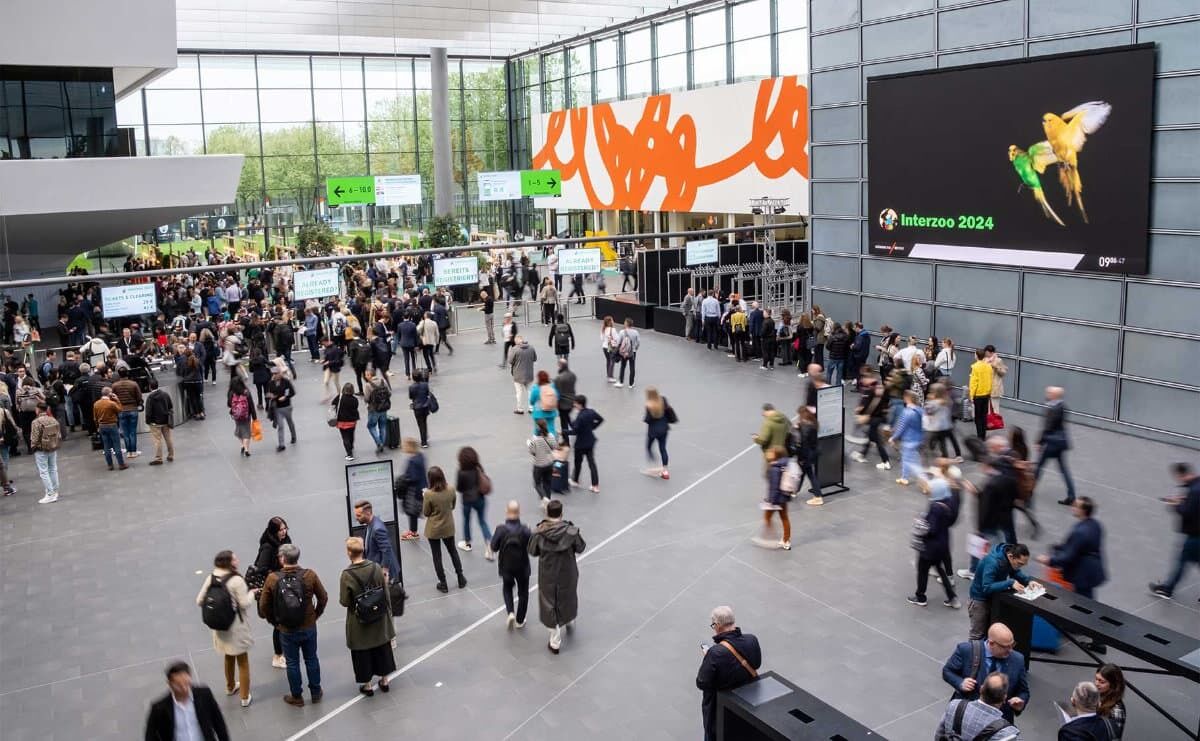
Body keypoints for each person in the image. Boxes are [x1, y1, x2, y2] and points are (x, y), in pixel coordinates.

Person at [258, 543, 327, 707]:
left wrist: (274, 621)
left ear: (282, 559)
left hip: (286, 629)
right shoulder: (309, 575)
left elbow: (263, 606)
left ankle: (297, 696)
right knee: (311, 658)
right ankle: (316, 692)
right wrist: (315, 615)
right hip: (308, 625)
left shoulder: (273, 578)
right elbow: (323, 597)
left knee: (292, 662)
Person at [195, 550, 255, 708]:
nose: (237, 560)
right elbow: (244, 604)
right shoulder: (236, 581)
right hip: (236, 627)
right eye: (235, 559)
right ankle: (244, 696)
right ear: (229, 563)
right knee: (243, 661)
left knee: (228, 656)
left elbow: (199, 600)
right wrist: (252, 594)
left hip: (220, 627)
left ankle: (230, 687)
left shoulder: (211, 578)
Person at [338, 536, 396, 697]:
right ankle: (384, 680)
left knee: (362, 653)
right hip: (378, 617)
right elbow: (385, 591)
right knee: (382, 648)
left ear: (349, 553)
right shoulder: (376, 567)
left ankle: (368, 685)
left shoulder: (347, 575)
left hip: (359, 620)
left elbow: (344, 601)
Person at [529, 499, 586, 654]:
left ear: (547, 513)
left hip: (548, 573)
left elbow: (532, 551)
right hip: (567, 572)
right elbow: (581, 547)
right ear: (562, 513)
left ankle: (555, 641)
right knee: (567, 596)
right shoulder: (571, 531)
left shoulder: (539, 533)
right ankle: (568, 619)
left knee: (549, 602)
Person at [696, 605, 761, 741]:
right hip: (748, 702)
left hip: (720, 708)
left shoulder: (715, 653)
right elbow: (756, 664)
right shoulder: (752, 639)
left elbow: (702, 682)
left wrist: (709, 658)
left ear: (718, 625)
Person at [943, 622, 1030, 724]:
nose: (1010, 650)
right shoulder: (966, 650)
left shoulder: (1017, 659)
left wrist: (1020, 702)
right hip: (968, 716)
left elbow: (1024, 691)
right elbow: (947, 671)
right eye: (1005, 646)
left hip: (997, 722)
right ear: (991, 643)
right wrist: (960, 683)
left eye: (1012, 645)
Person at [909, 464, 961, 608]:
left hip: (930, 547)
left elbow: (931, 529)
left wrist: (920, 521)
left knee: (922, 571)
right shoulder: (948, 502)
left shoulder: (935, 507)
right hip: (943, 544)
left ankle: (920, 596)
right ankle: (952, 597)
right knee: (940, 570)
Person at [1149, 462, 1200, 600]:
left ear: (1180, 475)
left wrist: (1176, 504)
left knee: (1182, 562)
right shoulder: (1197, 486)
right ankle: (1167, 588)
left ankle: (1167, 589)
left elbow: (1187, 512)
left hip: (1195, 535)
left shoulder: (1195, 491)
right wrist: (1186, 499)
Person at [1037, 496, 1105, 600]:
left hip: (1082, 573)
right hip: (1092, 570)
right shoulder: (1095, 525)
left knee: (1083, 601)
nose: (1072, 507)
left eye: (1076, 506)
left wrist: (1049, 560)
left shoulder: (1080, 532)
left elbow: (1068, 556)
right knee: (1088, 598)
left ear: (1083, 510)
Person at [143, 661, 230, 741]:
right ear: (169, 683)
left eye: (186, 683)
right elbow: (150, 735)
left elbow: (218, 722)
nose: (184, 689)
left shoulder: (204, 695)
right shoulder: (159, 708)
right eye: (179, 685)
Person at [968, 544, 1037, 641]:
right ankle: (974, 655)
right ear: (1010, 556)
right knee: (977, 635)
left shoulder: (1009, 558)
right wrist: (1010, 582)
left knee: (991, 632)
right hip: (980, 600)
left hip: (993, 597)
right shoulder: (992, 562)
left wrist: (1028, 581)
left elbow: (1015, 571)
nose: (1020, 566)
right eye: (1020, 564)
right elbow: (986, 587)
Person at [251, 516, 291, 669]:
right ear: (274, 531)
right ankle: (278, 655)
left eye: (285, 528)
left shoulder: (285, 541)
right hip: (275, 587)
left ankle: (282, 651)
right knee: (278, 623)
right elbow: (260, 567)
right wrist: (275, 573)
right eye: (281, 529)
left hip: (283, 584)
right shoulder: (268, 547)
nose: (284, 531)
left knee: (282, 621)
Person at [935, 672, 1022, 741]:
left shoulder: (954, 706)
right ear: (1004, 698)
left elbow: (939, 735)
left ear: (981, 689)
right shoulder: (1008, 733)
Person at [423, 466, 467, 592]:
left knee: (437, 556)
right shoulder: (451, 489)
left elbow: (426, 512)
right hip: (448, 526)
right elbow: (452, 506)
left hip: (434, 529)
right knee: (453, 551)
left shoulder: (428, 494)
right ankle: (460, 577)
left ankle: (443, 583)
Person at [491, 499, 532, 629]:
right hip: (522, 566)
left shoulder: (501, 529)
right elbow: (532, 547)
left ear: (506, 512)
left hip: (506, 566)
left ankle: (510, 612)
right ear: (519, 512)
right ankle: (520, 620)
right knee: (523, 593)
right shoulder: (525, 530)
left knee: (507, 588)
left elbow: (493, 547)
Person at [1036, 386, 1077, 506]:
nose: (1047, 393)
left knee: (1039, 466)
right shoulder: (1063, 406)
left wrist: (1040, 442)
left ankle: (1028, 489)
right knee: (1064, 470)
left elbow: (1048, 427)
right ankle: (1072, 495)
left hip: (1052, 443)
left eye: (1049, 392)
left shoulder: (1053, 408)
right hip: (1060, 443)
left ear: (1055, 395)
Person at [456, 446, 494, 558]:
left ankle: (467, 543)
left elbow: (459, 488)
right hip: (480, 498)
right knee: (482, 521)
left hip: (467, 500)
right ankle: (489, 544)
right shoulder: (478, 468)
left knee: (466, 520)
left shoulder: (461, 472)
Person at [850, 369, 891, 470]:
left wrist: (859, 412)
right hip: (879, 417)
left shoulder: (870, 391)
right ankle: (862, 454)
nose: (862, 381)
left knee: (876, 440)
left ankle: (886, 461)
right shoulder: (880, 389)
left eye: (864, 378)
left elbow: (865, 406)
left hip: (874, 419)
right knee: (871, 436)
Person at [755, 447, 793, 550]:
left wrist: (771, 500)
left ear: (776, 455)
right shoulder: (783, 465)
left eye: (771, 452)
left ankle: (770, 537)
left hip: (776, 499)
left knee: (767, 518)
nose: (768, 454)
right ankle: (786, 540)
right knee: (784, 518)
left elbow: (774, 487)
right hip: (784, 496)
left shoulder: (775, 468)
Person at [354, 499, 401, 581]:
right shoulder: (370, 524)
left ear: (368, 513)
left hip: (383, 572)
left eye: (359, 515)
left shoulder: (377, 528)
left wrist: (385, 571)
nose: (356, 518)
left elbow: (386, 550)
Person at [566, 394, 603, 492]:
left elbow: (574, 431)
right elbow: (600, 419)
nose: (574, 405)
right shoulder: (591, 412)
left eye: (575, 403)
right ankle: (595, 485)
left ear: (579, 404)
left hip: (580, 443)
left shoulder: (580, 417)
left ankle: (575, 480)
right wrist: (593, 427)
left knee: (578, 462)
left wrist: (563, 431)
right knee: (592, 463)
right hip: (590, 441)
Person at [888, 390, 924, 486]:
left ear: (908, 399)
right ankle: (904, 477)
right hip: (918, 439)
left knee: (910, 462)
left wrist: (893, 438)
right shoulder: (920, 410)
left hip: (909, 440)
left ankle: (925, 480)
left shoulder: (907, 412)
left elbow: (901, 427)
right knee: (911, 459)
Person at [30, 402, 61, 504]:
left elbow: (34, 438)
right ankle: (55, 491)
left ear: (38, 409)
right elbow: (58, 434)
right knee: (53, 468)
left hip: (41, 449)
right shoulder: (53, 419)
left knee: (44, 471)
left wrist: (33, 447)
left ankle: (50, 494)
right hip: (53, 447)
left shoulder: (36, 422)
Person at [397, 438, 428, 540]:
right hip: (423, 487)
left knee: (412, 511)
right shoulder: (421, 456)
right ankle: (413, 531)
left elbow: (413, 477)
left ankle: (413, 532)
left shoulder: (412, 461)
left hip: (414, 490)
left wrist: (404, 479)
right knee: (420, 509)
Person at [642, 387, 674, 480]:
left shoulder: (649, 405)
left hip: (653, 431)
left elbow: (648, 419)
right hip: (664, 429)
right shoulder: (663, 399)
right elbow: (667, 410)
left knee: (648, 447)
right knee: (663, 448)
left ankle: (653, 462)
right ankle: (665, 470)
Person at [110, 368, 142, 458]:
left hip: (121, 410)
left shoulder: (114, 385)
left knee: (125, 432)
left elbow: (112, 398)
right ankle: (134, 451)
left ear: (119, 374)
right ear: (127, 373)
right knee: (132, 431)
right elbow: (139, 397)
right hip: (133, 409)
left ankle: (128, 452)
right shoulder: (133, 384)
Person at [93, 388, 127, 471]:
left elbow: (95, 418)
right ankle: (121, 464)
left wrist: (97, 426)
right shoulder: (111, 403)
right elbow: (120, 410)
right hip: (112, 425)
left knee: (106, 446)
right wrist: (117, 400)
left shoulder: (96, 404)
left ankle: (110, 465)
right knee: (116, 445)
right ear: (109, 394)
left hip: (102, 426)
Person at [267, 361, 297, 452]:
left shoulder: (286, 382)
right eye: (274, 374)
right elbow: (270, 393)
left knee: (290, 422)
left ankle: (293, 436)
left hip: (286, 406)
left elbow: (292, 392)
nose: (275, 375)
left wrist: (285, 396)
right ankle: (281, 444)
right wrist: (271, 396)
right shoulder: (271, 383)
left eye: (277, 373)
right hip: (277, 407)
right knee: (280, 425)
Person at [143, 379, 175, 465]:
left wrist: (148, 421)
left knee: (157, 440)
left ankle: (159, 458)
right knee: (168, 438)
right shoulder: (165, 394)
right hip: (165, 420)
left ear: (150, 387)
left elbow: (148, 411)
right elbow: (170, 406)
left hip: (155, 423)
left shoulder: (150, 397)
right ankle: (171, 455)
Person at [528, 418, 557, 506]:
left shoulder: (534, 439)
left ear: (537, 427)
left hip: (538, 464)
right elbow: (554, 446)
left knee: (537, 483)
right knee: (547, 483)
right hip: (549, 463)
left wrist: (529, 444)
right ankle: (548, 502)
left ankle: (544, 498)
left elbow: (532, 452)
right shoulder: (551, 436)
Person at [1094, 664, 1126, 739]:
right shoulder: (1099, 696)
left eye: (1101, 682)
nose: (1096, 684)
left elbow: (1114, 737)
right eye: (1096, 679)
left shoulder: (1117, 710)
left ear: (1113, 685)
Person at [227, 376, 256, 458]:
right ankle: (246, 449)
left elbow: (229, 404)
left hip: (236, 414)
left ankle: (243, 445)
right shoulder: (246, 391)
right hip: (246, 414)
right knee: (247, 431)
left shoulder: (231, 392)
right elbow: (251, 404)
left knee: (239, 430)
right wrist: (254, 416)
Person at [968, 348, 994, 440]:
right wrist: (989, 391)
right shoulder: (989, 366)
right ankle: (983, 435)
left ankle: (980, 436)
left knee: (978, 417)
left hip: (978, 395)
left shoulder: (974, 367)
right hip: (986, 394)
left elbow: (973, 383)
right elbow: (990, 381)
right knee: (984, 416)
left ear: (976, 355)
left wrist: (971, 395)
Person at [508, 336, 537, 414]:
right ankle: (531, 408)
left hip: (518, 375)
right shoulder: (531, 348)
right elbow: (535, 359)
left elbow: (510, 361)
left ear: (516, 342)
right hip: (529, 374)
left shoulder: (515, 349)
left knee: (519, 393)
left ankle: (520, 409)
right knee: (530, 391)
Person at [331, 382, 360, 461]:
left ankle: (349, 454)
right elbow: (356, 407)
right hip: (352, 421)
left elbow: (333, 403)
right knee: (351, 435)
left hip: (342, 422)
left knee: (345, 437)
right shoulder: (354, 399)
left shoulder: (340, 397)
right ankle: (351, 446)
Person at [407, 368, 433, 448]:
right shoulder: (425, 385)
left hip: (417, 408)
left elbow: (411, 397)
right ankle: (424, 437)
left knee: (420, 423)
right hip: (425, 406)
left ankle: (423, 441)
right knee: (424, 422)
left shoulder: (411, 387)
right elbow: (428, 393)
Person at [614, 318, 640, 389]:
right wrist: (635, 349)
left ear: (626, 324)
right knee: (632, 367)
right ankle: (631, 384)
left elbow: (619, 342)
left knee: (623, 366)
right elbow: (638, 342)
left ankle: (621, 382)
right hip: (632, 352)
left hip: (623, 352)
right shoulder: (636, 332)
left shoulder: (622, 332)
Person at [553, 358, 576, 434]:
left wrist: (556, 405)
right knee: (567, 417)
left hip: (563, 404)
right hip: (572, 401)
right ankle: (576, 429)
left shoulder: (559, 378)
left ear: (560, 366)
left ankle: (566, 441)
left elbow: (557, 393)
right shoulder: (572, 375)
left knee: (564, 423)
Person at [320, 336, 344, 403]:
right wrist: (324, 360)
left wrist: (329, 362)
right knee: (326, 381)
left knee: (336, 382)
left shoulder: (335, 349)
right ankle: (328, 395)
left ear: (326, 342)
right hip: (328, 367)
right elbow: (326, 357)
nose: (323, 345)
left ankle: (340, 395)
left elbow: (337, 360)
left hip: (334, 368)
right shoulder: (327, 348)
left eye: (323, 343)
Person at [986, 345, 1008, 413]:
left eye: (987, 353)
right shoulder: (985, 360)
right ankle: (988, 420)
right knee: (987, 406)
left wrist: (996, 368)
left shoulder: (998, 360)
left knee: (995, 405)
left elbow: (1003, 372)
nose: (986, 354)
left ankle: (996, 421)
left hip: (995, 385)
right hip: (986, 385)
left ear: (991, 352)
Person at [600, 315, 619, 381]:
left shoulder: (603, 329)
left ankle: (608, 374)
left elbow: (602, 339)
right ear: (610, 322)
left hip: (604, 347)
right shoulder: (613, 329)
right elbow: (617, 338)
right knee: (612, 361)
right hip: (611, 347)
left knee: (608, 360)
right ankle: (610, 377)